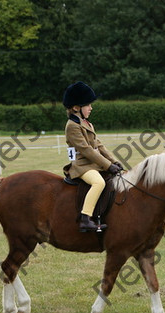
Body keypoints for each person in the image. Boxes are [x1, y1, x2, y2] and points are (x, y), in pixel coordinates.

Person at [62, 81, 122, 232]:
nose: (91, 108)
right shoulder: (72, 126)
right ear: (76, 107)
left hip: (92, 164)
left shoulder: (87, 123)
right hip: (81, 166)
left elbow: (99, 146)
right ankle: (85, 218)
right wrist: (108, 166)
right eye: (88, 105)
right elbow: (87, 150)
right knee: (98, 183)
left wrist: (114, 161)